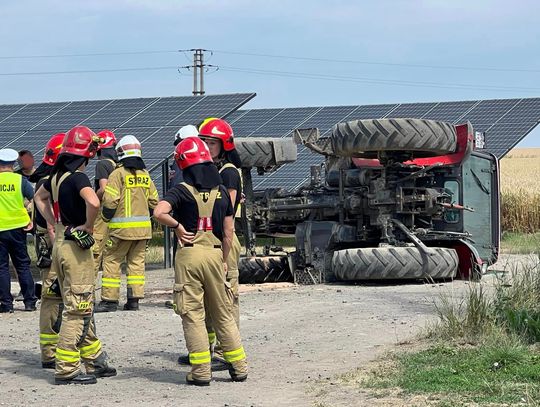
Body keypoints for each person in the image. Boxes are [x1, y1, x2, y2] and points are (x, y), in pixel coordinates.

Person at [154, 137, 248, 386]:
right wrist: (225, 260)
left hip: (190, 255)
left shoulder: (181, 190)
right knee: (223, 313)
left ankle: (201, 372)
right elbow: (228, 233)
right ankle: (239, 367)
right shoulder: (222, 194)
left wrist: (176, 225)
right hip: (216, 254)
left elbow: (159, 212)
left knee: (193, 315)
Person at [34, 126, 116, 385]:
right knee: (77, 308)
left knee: (79, 303)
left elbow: (39, 197)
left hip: (59, 242)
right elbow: (93, 202)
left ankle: (94, 360)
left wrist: (52, 222)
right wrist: (89, 226)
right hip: (75, 249)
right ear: (87, 153)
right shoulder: (79, 177)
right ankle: (67, 368)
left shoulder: (55, 177)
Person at [197, 118, 243, 365]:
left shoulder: (229, 172)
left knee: (226, 295)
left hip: (224, 237)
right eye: (204, 142)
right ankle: (210, 348)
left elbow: (227, 208)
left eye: (212, 143)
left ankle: (227, 353)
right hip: (210, 237)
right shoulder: (211, 169)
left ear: (223, 145)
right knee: (210, 296)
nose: (207, 146)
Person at [95, 135, 159, 313]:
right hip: (143, 231)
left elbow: (110, 201)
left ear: (120, 153)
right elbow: (155, 201)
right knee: (136, 264)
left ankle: (109, 300)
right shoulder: (145, 175)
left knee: (112, 261)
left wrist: (105, 220)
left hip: (120, 231)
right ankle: (134, 301)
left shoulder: (117, 174)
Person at [28, 133, 65, 367]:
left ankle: (51, 350)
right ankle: (50, 353)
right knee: (52, 299)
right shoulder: (49, 183)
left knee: (54, 299)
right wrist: (60, 251)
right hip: (52, 248)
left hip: (47, 246)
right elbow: (51, 226)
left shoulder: (43, 179)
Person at [0, 148, 37, 313]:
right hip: (19, 228)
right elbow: (34, 198)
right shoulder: (20, 180)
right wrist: (31, 220)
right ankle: (30, 302)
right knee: (22, 265)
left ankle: (6, 304)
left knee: (2, 267)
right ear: (13, 163)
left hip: (0, 229)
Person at [92, 130, 118, 274]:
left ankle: (89, 286)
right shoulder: (117, 165)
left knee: (95, 250)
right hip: (116, 210)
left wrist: (92, 198)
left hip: (103, 213)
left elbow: (104, 188)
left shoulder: (102, 164)